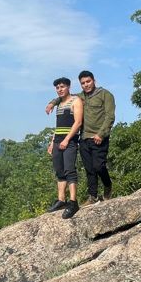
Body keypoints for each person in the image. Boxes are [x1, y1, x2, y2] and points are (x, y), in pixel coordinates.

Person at [46, 70, 115, 204]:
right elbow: (64, 96)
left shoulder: (105, 95)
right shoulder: (80, 97)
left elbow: (110, 116)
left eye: (88, 81)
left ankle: (107, 185)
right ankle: (93, 196)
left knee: (99, 166)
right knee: (89, 169)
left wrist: (101, 134)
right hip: (83, 137)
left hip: (99, 137)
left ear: (94, 80)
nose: (86, 85)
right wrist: (52, 103)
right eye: (83, 83)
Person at [46, 77, 83, 219]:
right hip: (58, 141)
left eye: (62, 86)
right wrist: (52, 142)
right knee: (59, 170)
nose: (59, 89)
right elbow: (58, 126)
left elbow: (78, 122)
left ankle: (73, 202)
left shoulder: (76, 101)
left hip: (70, 141)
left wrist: (67, 139)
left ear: (68, 87)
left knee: (69, 170)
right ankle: (61, 200)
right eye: (57, 87)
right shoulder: (59, 104)